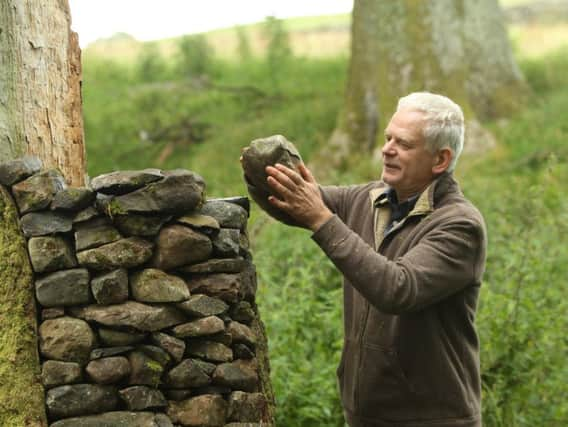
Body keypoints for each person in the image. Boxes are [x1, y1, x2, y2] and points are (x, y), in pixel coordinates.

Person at [260, 92, 487, 427]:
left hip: (433, 419)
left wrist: (322, 221)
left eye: (404, 144)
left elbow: (398, 288)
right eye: (388, 137)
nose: (387, 149)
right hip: (367, 415)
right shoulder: (367, 198)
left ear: (440, 160)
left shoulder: (459, 225)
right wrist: (260, 170)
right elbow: (298, 204)